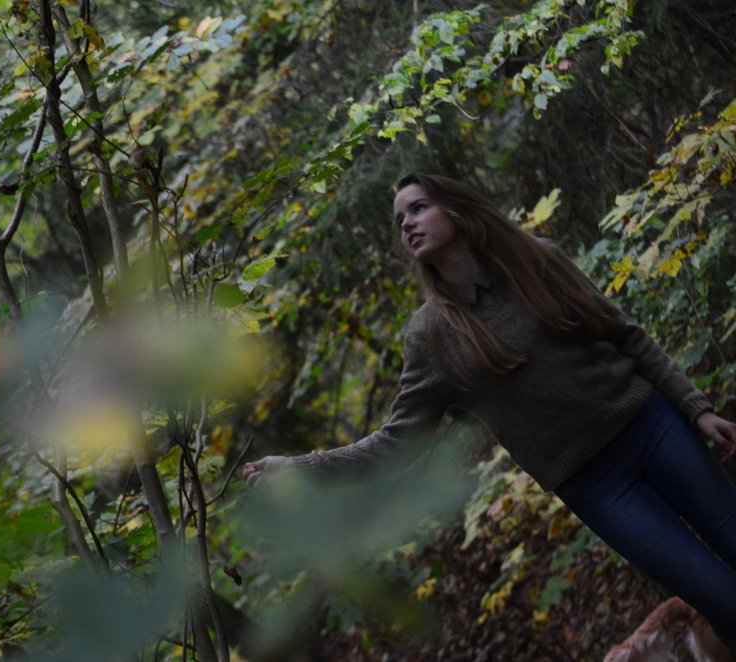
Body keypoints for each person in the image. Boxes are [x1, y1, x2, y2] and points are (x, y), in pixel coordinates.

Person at [241, 173, 736, 655]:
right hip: (597, 486)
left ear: (456, 211)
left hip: (654, 427)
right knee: (724, 600)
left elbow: (623, 333)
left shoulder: (538, 260)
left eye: (418, 208)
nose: (407, 223)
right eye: (399, 220)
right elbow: (395, 443)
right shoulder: (431, 336)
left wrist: (695, 408)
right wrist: (300, 466)